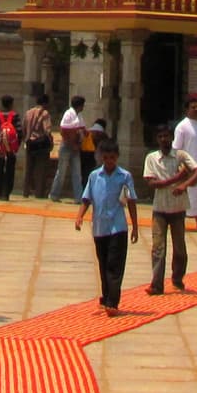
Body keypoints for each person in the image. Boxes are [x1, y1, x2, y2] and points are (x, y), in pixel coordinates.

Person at [76, 135, 139, 315]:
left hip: (118, 227)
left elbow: (131, 201)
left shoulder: (124, 176)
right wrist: (80, 216)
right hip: (100, 227)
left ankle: (113, 302)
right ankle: (105, 297)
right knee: (103, 264)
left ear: (117, 157)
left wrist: (135, 225)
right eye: (106, 158)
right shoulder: (94, 176)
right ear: (101, 157)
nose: (109, 162)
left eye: (112, 158)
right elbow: (87, 198)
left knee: (114, 264)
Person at [143, 123, 197, 295]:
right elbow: (152, 183)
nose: (164, 140)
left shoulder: (180, 156)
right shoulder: (152, 158)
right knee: (158, 247)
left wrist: (184, 185)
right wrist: (177, 178)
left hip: (177, 208)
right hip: (160, 208)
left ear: (172, 138)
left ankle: (177, 278)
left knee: (179, 247)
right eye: (160, 137)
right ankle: (157, 283)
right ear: (156, 140)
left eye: (166, 136)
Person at [173, 97, 197, 231]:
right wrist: (180, 166)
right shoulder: (182, 127)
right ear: (187, 109)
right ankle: (182, 223)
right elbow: (177, 148)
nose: (196, 109)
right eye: (193, 107)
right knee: (186, 196)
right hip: (187, 168)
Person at [49, 95, 88, 202]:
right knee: (61, 172)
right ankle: (54, 194)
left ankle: (79, 197)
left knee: (77, 173)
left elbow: (83, 129)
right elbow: (64, 131)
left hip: (76, 147)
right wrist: (72, 143)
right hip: (67, 146)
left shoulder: (79, 116)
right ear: (80, 105)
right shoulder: (68, 114)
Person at [22, 94, 56, 199]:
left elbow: (23, 128)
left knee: (28, 169)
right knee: (40, 170)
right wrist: (51, 142)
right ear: (45, 103)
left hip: (29, 143)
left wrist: (26, 138)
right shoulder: (45, 114)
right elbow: (47, 130)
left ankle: (26, 192)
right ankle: (39, 193)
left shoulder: (28, 113)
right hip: (40, 144)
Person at [0, 95, 20, 202]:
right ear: (11, 104)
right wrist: (16, 146)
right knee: (10, 170)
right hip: (11, 149)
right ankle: (6, 192)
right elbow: (19, 132)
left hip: (0, 149)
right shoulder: (15, 116)